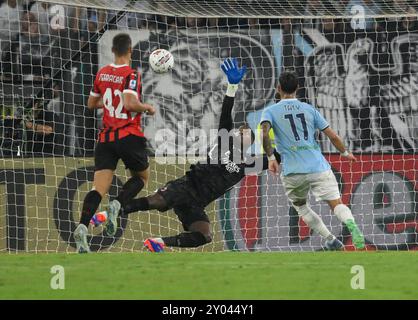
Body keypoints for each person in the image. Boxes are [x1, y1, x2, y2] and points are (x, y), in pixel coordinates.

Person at [112, 59, 339, 252]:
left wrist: (295, 133)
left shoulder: (249, 164)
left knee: (204, 235)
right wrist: (232, 87)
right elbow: (226, 113)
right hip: (185, 186)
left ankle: (158, 243)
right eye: (242, 129)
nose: (244, 131)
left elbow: (281, 155)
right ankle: (113, 212)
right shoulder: (225, 140)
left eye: (247, 131)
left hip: (197, 203)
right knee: (155, 202)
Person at [260, 71, 365, 250]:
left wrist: (271, 158)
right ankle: (352, 226)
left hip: (293, 172)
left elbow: (264, 133)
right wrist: (345, 153)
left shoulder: (270, 111)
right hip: (318, 167)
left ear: (278, 89)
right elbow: (332, 136)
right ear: (298, 88)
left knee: (301, 207)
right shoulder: (309, 109)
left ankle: (331, 239)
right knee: (337, 204)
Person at [73, 33, 156, 253]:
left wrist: (111, 98)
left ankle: (82, 226)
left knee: (97, 189)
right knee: (141, 177)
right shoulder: (131, 74)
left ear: (113, 50)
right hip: (128, 135)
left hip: (105, 139)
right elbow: (129, 103)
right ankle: (117, 203)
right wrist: (146, 107)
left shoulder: (102, 73)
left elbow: (91, 103)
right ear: (130, 51)